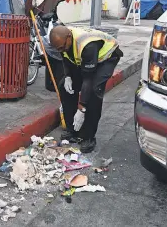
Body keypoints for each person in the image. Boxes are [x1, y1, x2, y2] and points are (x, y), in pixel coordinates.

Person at [49, 25, 123, 153]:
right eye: (58, 49)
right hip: (87, 59)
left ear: (69, 38)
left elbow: (87, 79)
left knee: (94, 90)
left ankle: (88, 136)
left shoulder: (87, 46)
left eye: (62, 47)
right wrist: (67, 76)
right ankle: (72, 129)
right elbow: (66, 58)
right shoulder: (64, 42)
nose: (61, 50)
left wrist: (81, 108)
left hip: (106, 58)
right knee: (64, 86)